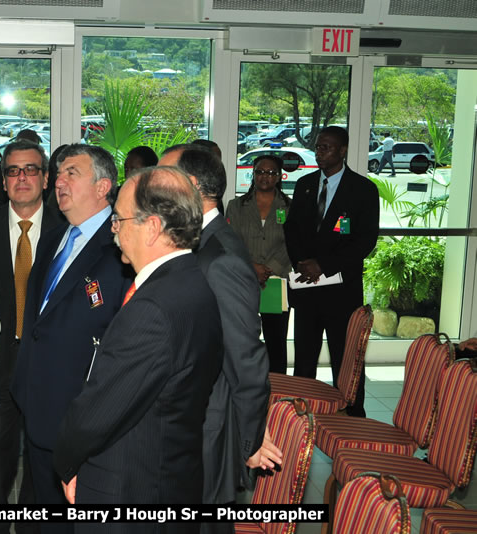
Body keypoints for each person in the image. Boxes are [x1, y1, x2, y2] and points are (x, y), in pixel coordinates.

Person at [54, 167, 222, 520]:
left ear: (153, 227)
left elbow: (99, 411)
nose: (114, 230)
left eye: (119, 219)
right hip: (168, 474)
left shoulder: (152, 309)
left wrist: (65, 462)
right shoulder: (192, 281)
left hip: (131, 485)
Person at [11, 144, 133, 532]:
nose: (58, 182)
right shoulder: (53, 238)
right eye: (58, 174)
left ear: (103, 187)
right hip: (38, 407)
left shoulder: (121, 248)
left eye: (71, 174)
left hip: (83, 419)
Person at [159, 145, 276, 531]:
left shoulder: (221, 256)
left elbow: (246, 358)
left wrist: (250, 439)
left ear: (191, 186)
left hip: (207, 429)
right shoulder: (197, 240)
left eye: (164, 177)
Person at [0, 140, 60, 534]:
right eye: (13, 171)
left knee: (43, 469)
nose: (22, 178)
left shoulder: (67, 229)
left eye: (31, 169)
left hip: (49, 368)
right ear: (2, 182)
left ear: (46, 178)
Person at [283, 126, 380, 418]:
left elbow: (365, 240)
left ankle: (352, 414)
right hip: (307, 289)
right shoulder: (305, 184)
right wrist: (303, 262)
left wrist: (322, 265)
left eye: (326, 147)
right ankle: (299, 417)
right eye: (318, 147)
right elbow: (292, 229)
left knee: (345, 359)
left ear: (342, 151)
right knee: (304, 359)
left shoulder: (363, 190)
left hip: (342, 292)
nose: (319, 152)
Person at [226, 154, 292, 374]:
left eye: (271, 172)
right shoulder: (236, 206)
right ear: (252, 174)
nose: (265, 176)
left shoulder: (290, 206)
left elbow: (292, 243)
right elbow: (231, 242)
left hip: (276, 284)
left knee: (276, 344)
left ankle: (277, 395)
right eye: (260, 172)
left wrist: (269, 267)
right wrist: (252, 267)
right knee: (243, 342)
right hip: (244, 281)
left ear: (279, 176)